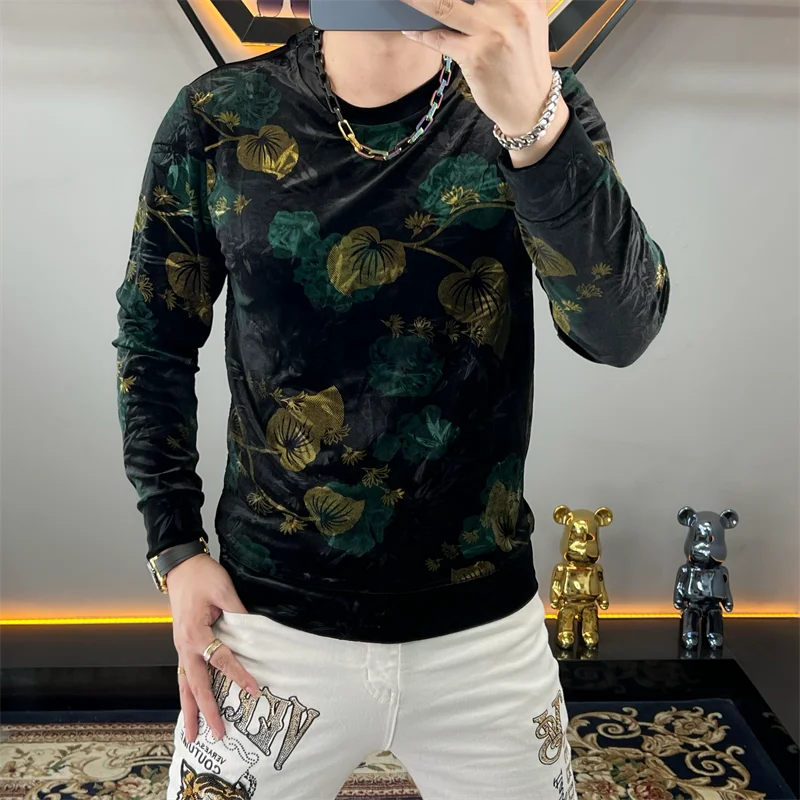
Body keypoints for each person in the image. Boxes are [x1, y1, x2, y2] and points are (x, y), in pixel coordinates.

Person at [115, 0, 669, 797]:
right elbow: (153, 337)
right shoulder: (216, 116)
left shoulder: (540, 102)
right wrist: (175, 548)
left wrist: (533, 126)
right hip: (268, 622)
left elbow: (620, 331)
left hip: (485, 633)